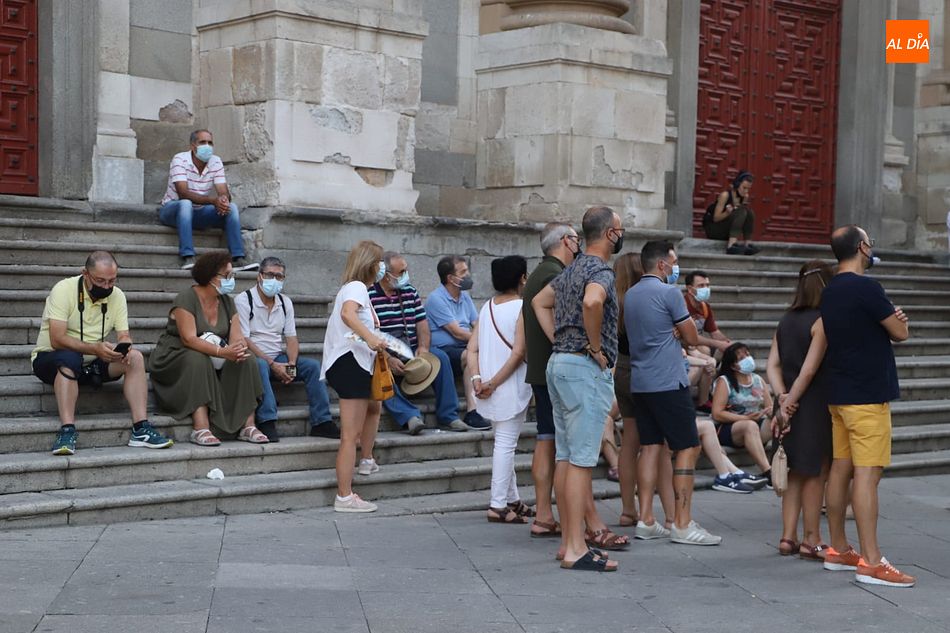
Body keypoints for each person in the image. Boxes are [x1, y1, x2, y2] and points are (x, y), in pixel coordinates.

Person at [532, 206, 628, 572]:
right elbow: (593, 301)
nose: (621, 234)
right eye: (619, 229)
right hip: (583, 369)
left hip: (559, 364)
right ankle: (575, 548)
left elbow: (541, 302)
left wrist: (560, 339)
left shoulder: (571, 268)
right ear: (609, 234)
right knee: (582, 461)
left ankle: (568, 544)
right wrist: (593, 345)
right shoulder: (600, 270)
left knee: (566, 456)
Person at [820, 225, 915, 587]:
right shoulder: (868, 288)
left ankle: (840, 549)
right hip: (867, 395)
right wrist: (897, 319)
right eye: (869, 243)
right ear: (861, 247)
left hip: (840, 393)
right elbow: (900, 332)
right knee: (867, 475)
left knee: (841, 469)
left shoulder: (830, 291)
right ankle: (872, 560)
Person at [625, 240, 721, 546]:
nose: (676, 267)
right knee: (687, 447)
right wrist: (679, 330)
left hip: (642, 379)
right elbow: (693, 337)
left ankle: (646, 518)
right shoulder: (669, 293)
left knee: (650, 446)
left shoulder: (631, 294)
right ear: (662, 264)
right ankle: (681, 521)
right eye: (674, 262)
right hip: (668, 379)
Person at [31, 251, 173, 455]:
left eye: (111, 281)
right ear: (85, 274)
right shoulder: (64, 289)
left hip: (93, 362)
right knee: (69, 357)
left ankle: (141, 429)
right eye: (100, 280)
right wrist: (95, 348)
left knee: (135, 358)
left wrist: (123, 346)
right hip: (51, 359)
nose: (106, 287)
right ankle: (67, 430)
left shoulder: (118, 295)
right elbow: (57, 339)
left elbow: (124, 334)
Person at [148, 251, 265, 446]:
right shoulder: (186, 298)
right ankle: (200, 427)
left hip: (215, 351)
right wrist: (222, 352)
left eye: (231, 275)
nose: (231, 279)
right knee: (197, 358)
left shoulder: (227, 301)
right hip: (176, 353)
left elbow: (237, 336)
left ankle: (248, 425)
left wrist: (237, 349)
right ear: (211, 277)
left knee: (248, 358)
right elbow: (189, 339)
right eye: (226, 275)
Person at [766, 260, 834, 558]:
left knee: (793, 472)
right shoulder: (822, 321)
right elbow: (809, 371)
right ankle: (812, 538)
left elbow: (772, 365)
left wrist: (782, 398)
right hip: (813, 404)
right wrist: (793, 401)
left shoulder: (786, 319)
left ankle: (786, 536)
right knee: (815, 472)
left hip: (786, 404)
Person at [235, 256, 339, 442]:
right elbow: (244, 339)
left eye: (279, 276)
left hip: (279, 358)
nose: (275, 280)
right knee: (259, 365)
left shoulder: (285, 302)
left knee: (313, 367)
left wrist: (290, 365)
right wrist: (272, 363)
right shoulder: (244, 300)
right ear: (259, 276)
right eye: (270, 275)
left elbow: (291, 338)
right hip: (255, 358)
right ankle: (266, 420)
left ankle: (322, 421)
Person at [321, 240, 389, 513]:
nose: (382, 267)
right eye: (380, 261)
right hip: (350, 364)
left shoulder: (358, 290)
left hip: (355, 362)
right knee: (350, 435)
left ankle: (366, 461)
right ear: (371, 264)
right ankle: (345, 496)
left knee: (373, 408)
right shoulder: (357, 287)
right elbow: (348, 315)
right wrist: (372, 338)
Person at [522, 222, 580, 538]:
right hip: (552, 371)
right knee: (557, 445)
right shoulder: (553, 275)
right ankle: (547, 513)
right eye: (576, 238)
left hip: (542, 370)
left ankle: (544, 513)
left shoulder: (540, 273)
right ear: (565, 241)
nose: (579, 244)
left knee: (547, 439)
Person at [368, 251, 466, 433]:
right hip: (383, 351)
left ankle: (449, 415)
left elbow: (422, 324)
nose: (406, 275)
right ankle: (409, 416)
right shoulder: (369, 296)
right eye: (401, 272)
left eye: (406, 270)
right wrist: (388, 358)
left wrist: (423, 347)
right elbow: (369, 334)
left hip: (411, 347)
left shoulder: (410, 292)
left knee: (441, 358)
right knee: (377, 373)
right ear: (386, 275)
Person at [467, 256, 533, 523]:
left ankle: (512, 498)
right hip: (507, 386)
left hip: (486, 386)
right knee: (506, 445)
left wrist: (477, 380)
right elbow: (518, 353)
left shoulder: (487, 307)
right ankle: (497, 504)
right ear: (521, 279)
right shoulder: (522, 307)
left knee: (503, 442)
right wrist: (492, 383)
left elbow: (471, 349)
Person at [158, 129, 258, 271]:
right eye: (202, 142)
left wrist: (223, 200)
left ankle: (238, 257)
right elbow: (183, 193)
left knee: (232, 208)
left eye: (210, 143)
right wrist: (213, 201)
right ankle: (187, 256)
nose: (207, 146)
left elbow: (223, 190)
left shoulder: (215, 161)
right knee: (186, 204)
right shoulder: (180, 159)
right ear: (193, 146)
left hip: (199, 214)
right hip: (172, 211)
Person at [425, 256, 490, 430]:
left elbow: (477, 324)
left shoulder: (465, 297)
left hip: (464, 345)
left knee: (475, 353)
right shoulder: (436, 299)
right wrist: (483, 341)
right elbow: (457, 332)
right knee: (470, 356)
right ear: (450, 278)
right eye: (463, 272)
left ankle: (482, 407)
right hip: (443, 349)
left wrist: (484, 340)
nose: (468, 275)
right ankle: (472, 410)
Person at [710, 342, 774, 488]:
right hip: (728, 428)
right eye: (741, 357)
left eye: (747, 354)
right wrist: (745, 418)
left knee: (778, 421)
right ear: (733, 365)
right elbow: (717, 413)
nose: (747, 358)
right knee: (749, 425)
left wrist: (770, 412)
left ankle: (786, 464)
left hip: (755, 423)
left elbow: (770, 405)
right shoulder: (724, 381)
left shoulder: (758, 379)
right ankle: (767, 471)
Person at [703, 170, 759, 255]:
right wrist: (727, 213)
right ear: (737, 185)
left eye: (748, 189)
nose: (746, 191)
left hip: (726, 231)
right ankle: (731, 245)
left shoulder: (744, 197)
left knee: (749, 212)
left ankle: (748, 244)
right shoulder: (725, 195)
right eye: (744, 188)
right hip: (714, 229)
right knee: (741, 212)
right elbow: (715, 218)